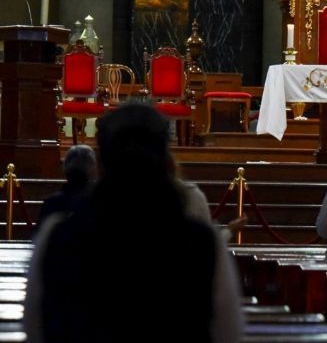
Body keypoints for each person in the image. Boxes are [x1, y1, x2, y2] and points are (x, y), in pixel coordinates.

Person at [24, 104, 243, 343]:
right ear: (166, 160)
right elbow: (227, 332)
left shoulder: (58, 235)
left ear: (100, 163)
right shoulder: (202, 242)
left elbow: (35, 328)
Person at [35, 145, 96, 230]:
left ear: (65, 168)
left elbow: (40, 239)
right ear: (92, 169)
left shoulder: (51, 203)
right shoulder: (99, 203)